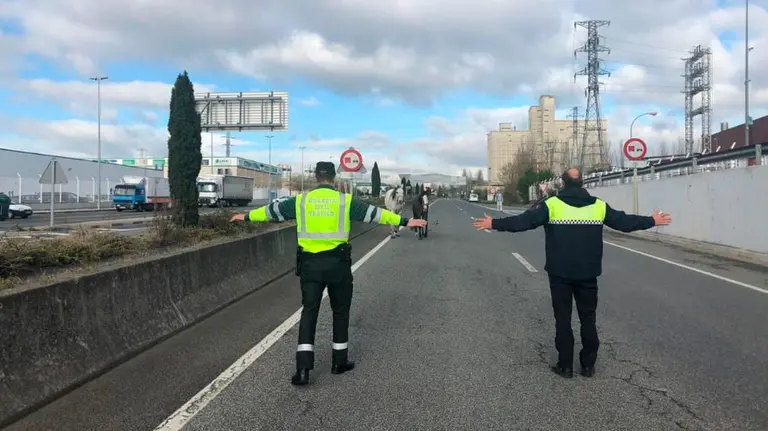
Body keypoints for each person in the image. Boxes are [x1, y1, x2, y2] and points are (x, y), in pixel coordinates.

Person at [231, 161, 427, 386]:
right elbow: (377, 215)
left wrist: (245, 217)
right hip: (338, 265)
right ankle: (339, 362)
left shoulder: (301, 201)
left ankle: (303, 369)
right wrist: (404, 220)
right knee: (340, 311)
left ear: (316, 177)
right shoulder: (345, 201)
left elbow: (272, 212)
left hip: (310, 266)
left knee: (309, 312)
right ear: (334, 178)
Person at [472, 168, 672, 378]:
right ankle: (587, 365)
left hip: (560, 274)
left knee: (563, 319)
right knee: (588, 318)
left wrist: (493, 223)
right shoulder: (598, 205)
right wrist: (652, 220)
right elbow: (624, 222)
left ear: (563, 183)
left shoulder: (552, 205)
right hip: (588, 274)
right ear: (582, 183)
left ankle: (565, 366)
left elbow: (523, 222)